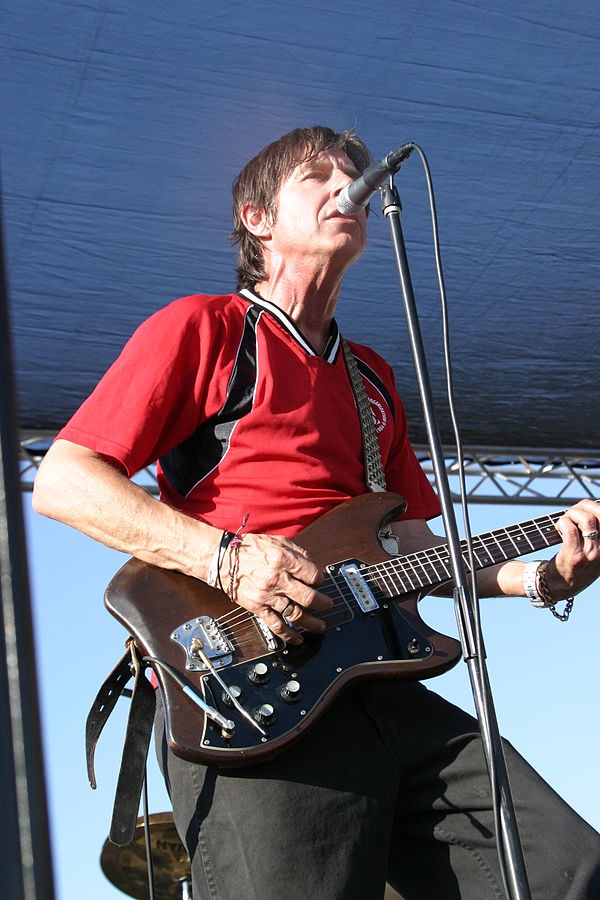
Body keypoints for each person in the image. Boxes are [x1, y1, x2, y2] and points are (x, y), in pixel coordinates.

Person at [33, 125, 600, 899]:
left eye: (356, 175)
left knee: (567, 870)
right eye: (318, 176)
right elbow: (65, 479)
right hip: (248, 683)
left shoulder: (371, 379)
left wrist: (545, 577)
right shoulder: (206, 329)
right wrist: (226, 559)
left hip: (381, 679)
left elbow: (415, 550)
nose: (349, 188)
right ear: (256, 216)